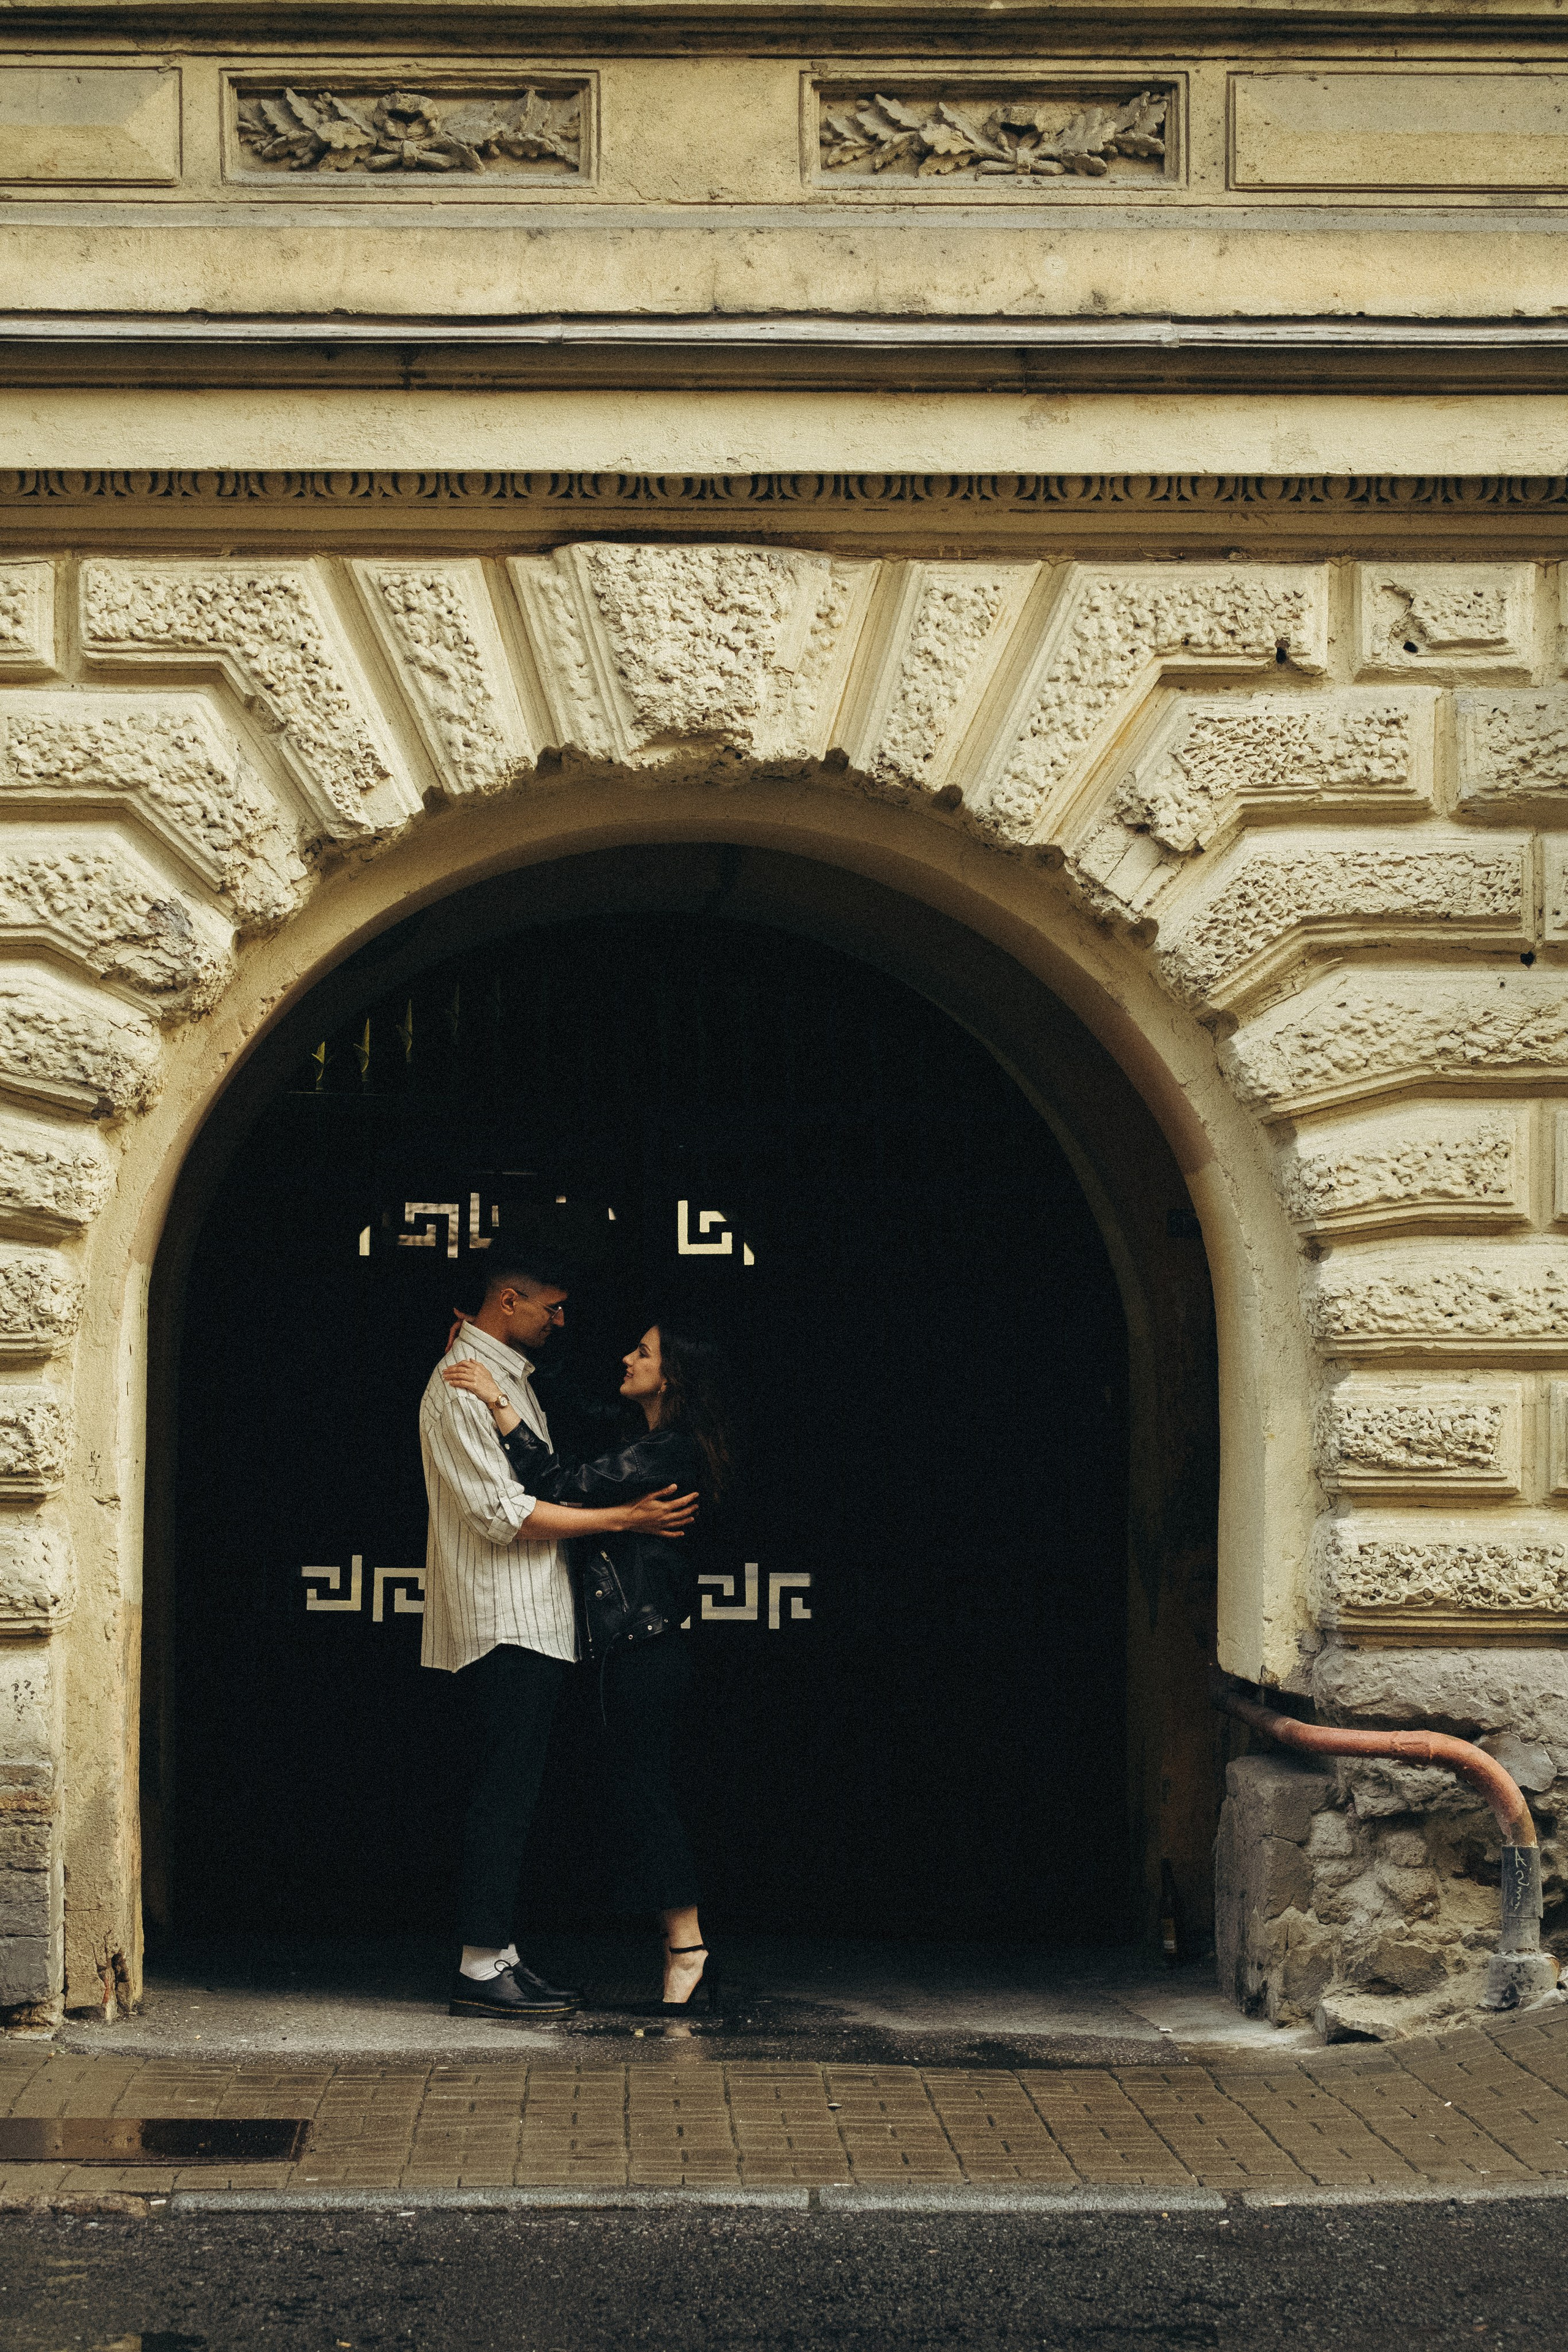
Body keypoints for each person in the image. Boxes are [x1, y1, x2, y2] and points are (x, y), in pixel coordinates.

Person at [420, 1252, 698, 2021]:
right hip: (504, 1620)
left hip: (534, 1622)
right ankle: (479, 1967)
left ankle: (499, 1954)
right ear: (509, 1302)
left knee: (515, 1795)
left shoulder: (506, 1379)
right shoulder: (461, 1385)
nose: (563, 1321)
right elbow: (504, 1515)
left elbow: (555, 1470)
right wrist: (626, 1518)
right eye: (552, 1307)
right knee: (502, 1795)